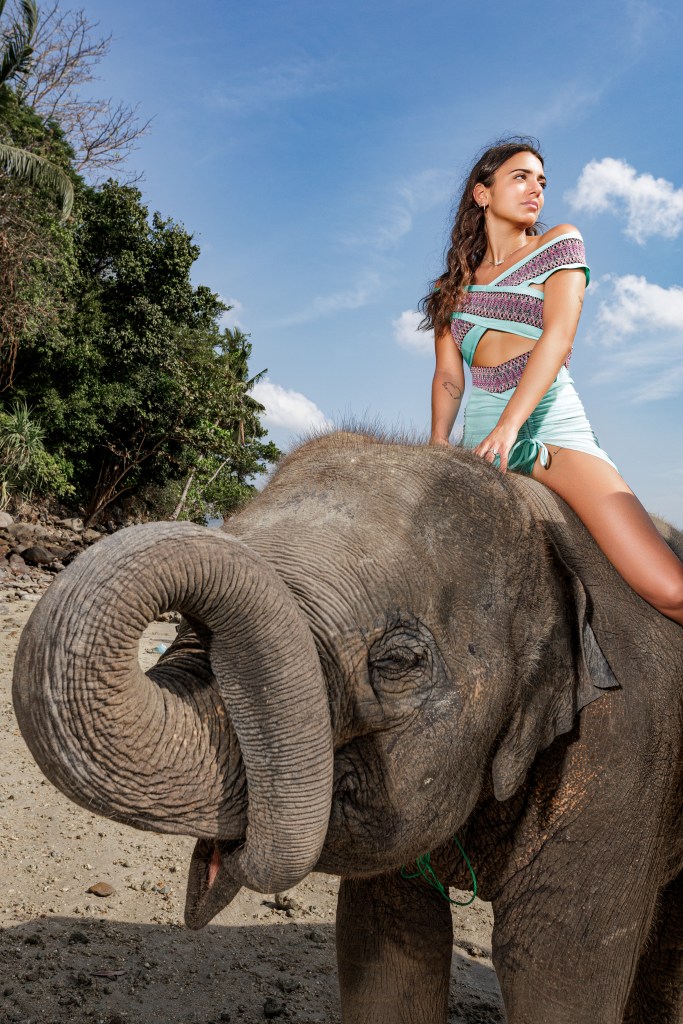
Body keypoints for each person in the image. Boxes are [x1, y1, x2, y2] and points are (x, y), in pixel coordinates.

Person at [421, 137, 683, 626]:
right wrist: (438, 444)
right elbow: (449, 374)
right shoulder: (450, 288)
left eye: (541, 181)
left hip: (550, 431)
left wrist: (510, 426)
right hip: (480, 442)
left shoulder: (559, 243)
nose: (535, 189)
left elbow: (558, 338)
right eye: (520, 177)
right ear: (483, 194)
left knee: (670, 590)